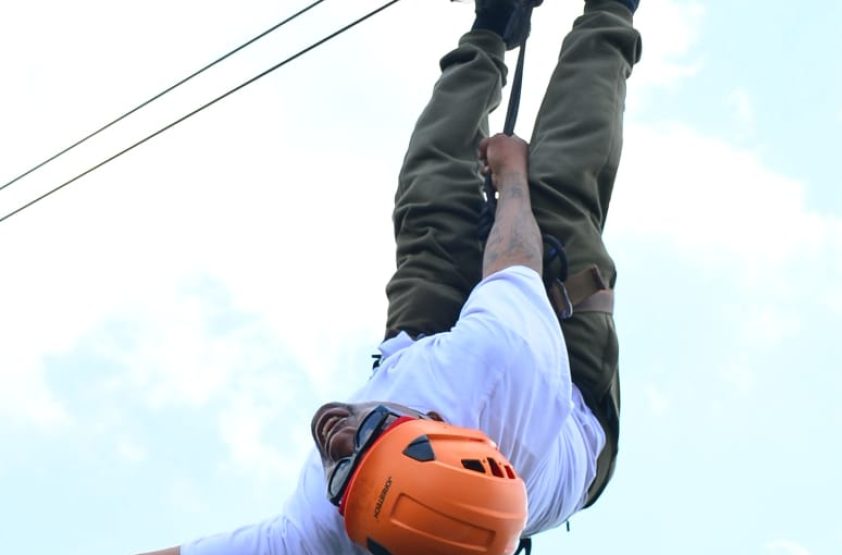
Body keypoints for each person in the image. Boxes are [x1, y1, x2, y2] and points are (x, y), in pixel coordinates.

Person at [141, 0, 641, 553]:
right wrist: (511, 173)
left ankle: (492, 30)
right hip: (566, 401)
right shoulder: (503, 364)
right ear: (427, 418)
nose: (335, 442)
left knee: (431, 206)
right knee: (558, 192)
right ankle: (609, 14)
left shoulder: (327, 528)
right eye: (365, 442)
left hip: (436, 370)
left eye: (339, 476)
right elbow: (514, 257)